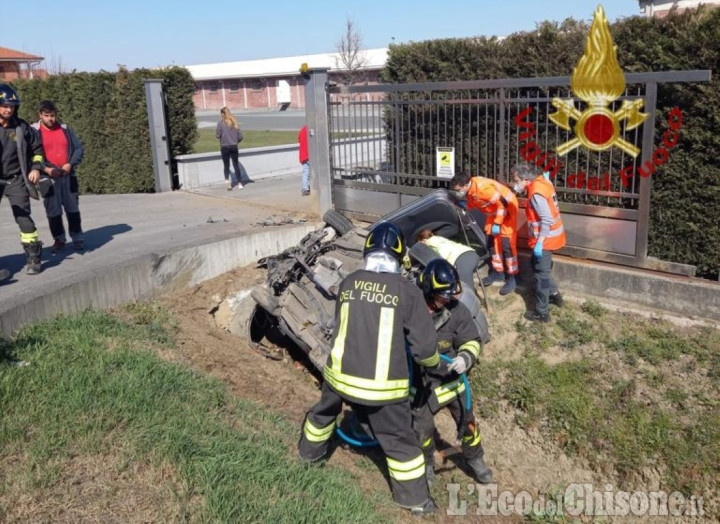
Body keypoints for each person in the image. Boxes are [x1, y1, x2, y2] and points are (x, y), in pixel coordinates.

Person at [298, 222, 442, 516]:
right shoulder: (407, 291)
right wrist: (433, 367)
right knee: (401, 442)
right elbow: (425, 350)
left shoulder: (350, 282)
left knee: (322, 415)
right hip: (382, 390)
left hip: (338, 377)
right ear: (399, 256)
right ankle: (415, 500)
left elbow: (343, 326)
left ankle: (307, 456)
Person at [412, 259, 493, 487]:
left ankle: (475, 459)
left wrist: (464, 358)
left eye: (451, 294)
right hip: (422, 385)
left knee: (468, 424)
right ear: (429, 291)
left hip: (452, 380)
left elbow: (471, 340)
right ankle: (426, 464)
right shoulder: (411, 308)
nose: (449, 299)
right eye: (444, 295)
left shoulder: (457, 311)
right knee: (422, 429)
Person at [512, 163, 566, 322]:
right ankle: (554, 295)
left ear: (525, 179)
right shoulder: (543, 182)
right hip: (552, 237)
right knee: (537, 267)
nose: (516, 183)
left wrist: (540, 243)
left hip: (545, 240)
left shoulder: (536, 193)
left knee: (541, 276)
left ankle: (542, 312)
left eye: (517, 180)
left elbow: (546, 219)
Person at [449, 173, 519, 295]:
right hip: (494, 213)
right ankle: (498, 273)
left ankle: (512, 278)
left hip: (507, 211)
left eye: (458, 190)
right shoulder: (471, 189)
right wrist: (464, 206)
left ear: (466, 185)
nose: (458, 193)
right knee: (491, 244)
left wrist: (497, 223)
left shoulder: (483, 189)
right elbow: (477, 202)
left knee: (506, 245)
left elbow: (502, 204)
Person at [0, 84, 44, 275]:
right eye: (4, 105)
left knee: (24, 219)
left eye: (12, 106)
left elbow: (38, 150)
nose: (8, 109)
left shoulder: (21, 127)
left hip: (16, 179)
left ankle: (33, 257)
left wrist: (35, 168)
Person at [32, 100, 85, 252]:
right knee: (53, 212)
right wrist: (46, 169)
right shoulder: (34, 131)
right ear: (40, 115)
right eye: (47, 116)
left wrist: (70, 164)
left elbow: (78, 148)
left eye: (53, 115)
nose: (50, 119)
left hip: (67, 175)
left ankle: (78, 238)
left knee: (72, 208)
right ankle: (59, 239)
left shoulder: (65, 129)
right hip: (47, 177)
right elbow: (29, 154)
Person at [415, 229, 481, 290]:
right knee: (461, 283)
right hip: (471, 254)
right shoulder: (438, 238)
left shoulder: (431, 242)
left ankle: (470, 302)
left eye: (421, 243)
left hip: (463, 258)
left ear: (423, 240)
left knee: (466, 287)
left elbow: (443, 249)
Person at [215, 107, 250, 190]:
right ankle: (240, 183)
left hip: (225, 147)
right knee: (236, 165)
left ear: (223, 114)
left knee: (226, 165)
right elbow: (241, 136)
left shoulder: (220, 123)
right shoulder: (234, 122)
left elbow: (217, 135)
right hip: (234, 147)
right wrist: (235, 141)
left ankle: (227, 181)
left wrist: (221, 137)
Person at [298, 125, 310, 196]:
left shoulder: (303, 129)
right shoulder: (312, 129)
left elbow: (299, 140)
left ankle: (305, 189)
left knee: (305, 173)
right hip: (310, 154)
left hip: (303, 155)